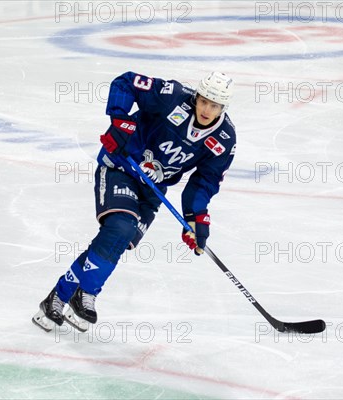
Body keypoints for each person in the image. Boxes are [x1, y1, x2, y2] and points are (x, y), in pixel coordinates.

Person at [33, 71, 236, 332]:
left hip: (153, 189)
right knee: (120, 228)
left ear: (223, 107)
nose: (207, 109)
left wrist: (196, 218)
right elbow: (126, 82)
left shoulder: (224, 140)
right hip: (121, 166)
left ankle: (60, 297)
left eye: (215, 105)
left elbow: (204, 181)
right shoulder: (171, 97)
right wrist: (120, 124)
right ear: (197, 96)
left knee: (115, 240)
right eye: (204, 100)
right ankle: (88, 293)